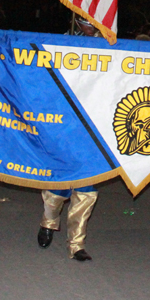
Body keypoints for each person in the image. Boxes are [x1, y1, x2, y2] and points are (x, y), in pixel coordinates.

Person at [36, 16, 101, 261]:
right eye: (84, 17)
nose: (90, 22)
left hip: (94, 128)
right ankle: (48, 221)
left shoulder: (113, 47)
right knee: (58, 186)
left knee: (87, 187)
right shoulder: (60, 44)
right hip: (64, 124)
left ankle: (76, 243)